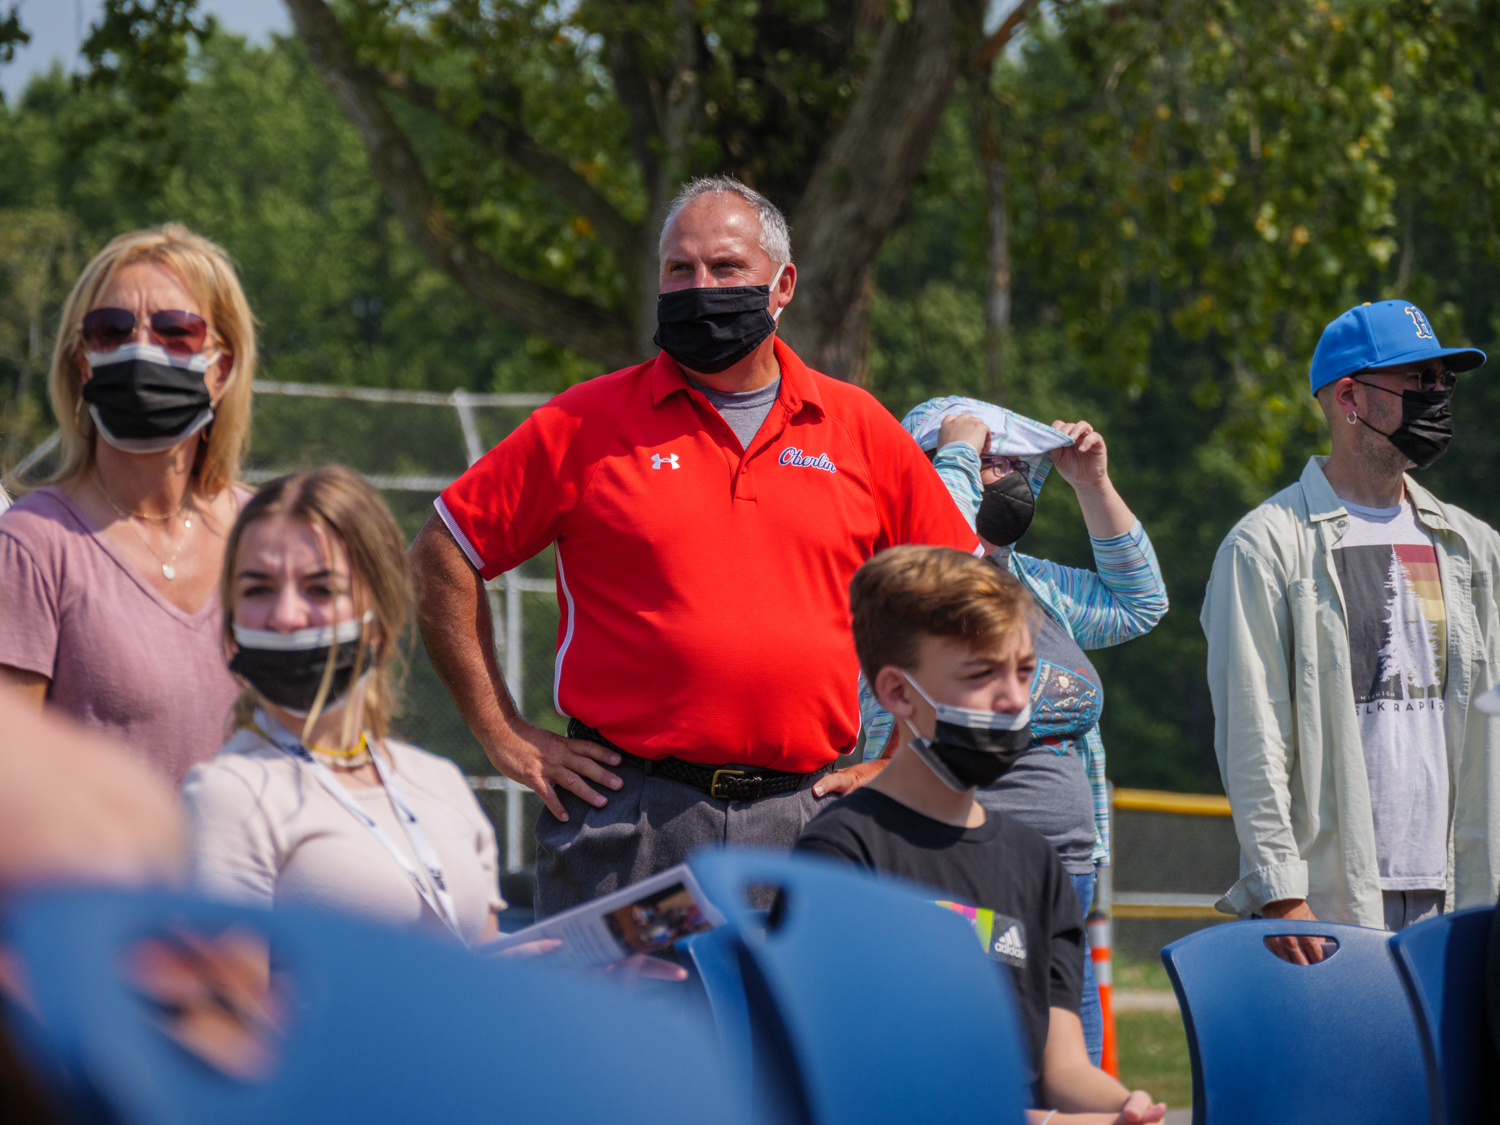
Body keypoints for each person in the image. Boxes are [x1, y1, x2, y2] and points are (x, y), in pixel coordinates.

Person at [410, 174, 980, 917]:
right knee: (613, 1005)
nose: (699, 288)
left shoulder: (857, 426)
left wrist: (911, 756)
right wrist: (503, 731)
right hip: (629, 819)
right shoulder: (587, 422)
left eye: (725, 267)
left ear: (783, 285)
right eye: (679, 269)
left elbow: (964, 595)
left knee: (792, 1005)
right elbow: (442, 552)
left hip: (810, 821)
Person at [798, 546, 1165, 1125]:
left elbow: (1065, 1069)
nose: (1017, 699)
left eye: (1024, 671)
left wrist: (1126, 1107)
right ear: (897, 693)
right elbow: (853, 1080)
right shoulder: (842, 853)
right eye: (981, 675)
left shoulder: (1036, 866)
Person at [857, 396, 1167, 1065]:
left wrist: (1092, 484)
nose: (1007, 473)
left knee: (1070, 1066)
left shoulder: (1035, 585)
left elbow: (1140, 603)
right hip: (961, 869)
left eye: (1013, 461)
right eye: (985, 460)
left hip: (1066, 877)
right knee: (990, 1064)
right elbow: (940, 565)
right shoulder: (900, 588)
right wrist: (956, 451)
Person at [1203, 299, 1500, 954]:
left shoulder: (1474, 548)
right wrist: (1280, 888)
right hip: (1329, 901)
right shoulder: (1265, 546)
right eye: (1417, 379)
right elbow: (1254, 730)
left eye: (1443, 381)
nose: (1437, 397)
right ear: (1348, 398)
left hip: (1466, 893)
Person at [181, 467, 505, 947]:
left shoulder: (441, 782)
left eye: (321, 588)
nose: (286, 616)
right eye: (257, 589)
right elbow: (232, 994)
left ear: (379, 612)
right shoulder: (229, 795)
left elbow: (485, 963)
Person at [0, 224, 257, 784]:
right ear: (83, 363)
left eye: (176, 331)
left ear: (222, 369)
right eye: (111, 330)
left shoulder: (268, 537)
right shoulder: (31, 546)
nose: (141, 349)